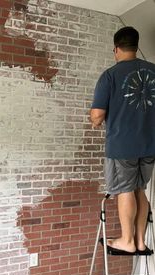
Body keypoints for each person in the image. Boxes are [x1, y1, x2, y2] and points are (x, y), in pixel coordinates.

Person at [90, 26, 155, 254]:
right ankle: (139, 241)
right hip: (149, 145)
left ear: (116, 49)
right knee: (140, 189)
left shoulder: (110, 75)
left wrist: (95, 120)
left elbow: (97, 115)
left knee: (126, 190)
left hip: (122, 145)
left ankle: (127, 241)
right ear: (136, 47)